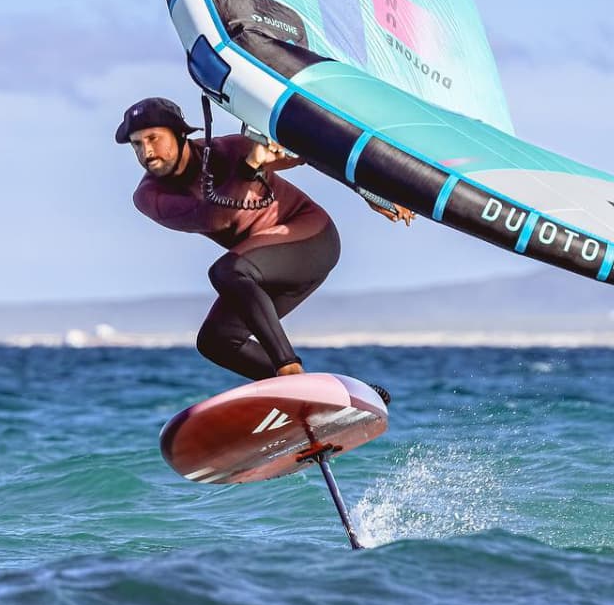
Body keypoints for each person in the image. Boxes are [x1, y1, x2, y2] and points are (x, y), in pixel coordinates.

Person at [116, 97, 413, 390]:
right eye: (137, 144)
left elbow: (310, 152)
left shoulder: (229, 149)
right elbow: (214, 219)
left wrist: (369, 189)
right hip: (260, 272)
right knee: (217, 341)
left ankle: (290, 372)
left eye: (153, 138)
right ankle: (326, 394)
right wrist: (250, 167)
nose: (147, 152)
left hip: (310, 239)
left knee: (226, 271)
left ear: (180, 133)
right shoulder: (149, 196)